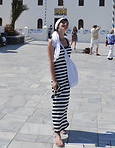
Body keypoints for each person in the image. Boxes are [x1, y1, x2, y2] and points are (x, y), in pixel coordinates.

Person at [48, 18, 72, 147]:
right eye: (63, 23)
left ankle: (61, 124)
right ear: (58, 26)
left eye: (67, 23)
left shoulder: (67, 41)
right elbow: (51, 63)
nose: (65, 24)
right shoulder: (52, 42)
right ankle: (57, 133)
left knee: (64, 103)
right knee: (57, 104)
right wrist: (54, 81)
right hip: (57, 78)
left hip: (66, 77)